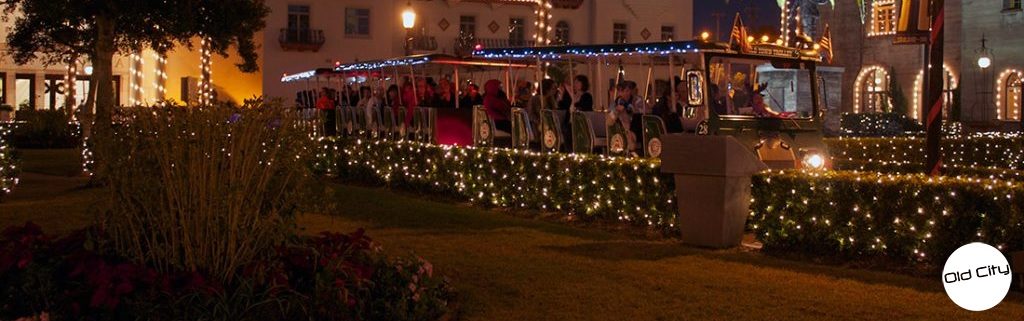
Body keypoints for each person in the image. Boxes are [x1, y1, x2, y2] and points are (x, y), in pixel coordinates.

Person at [614, 81, 646, 151]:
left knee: (637, 117)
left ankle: (632, 138)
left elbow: (640, 111)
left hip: (636, 127)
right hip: (623, 128)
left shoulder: (637, 100)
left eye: (627, 91)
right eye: (621, 91)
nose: (625, 93)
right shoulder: (618, 101)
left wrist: (628, 108)